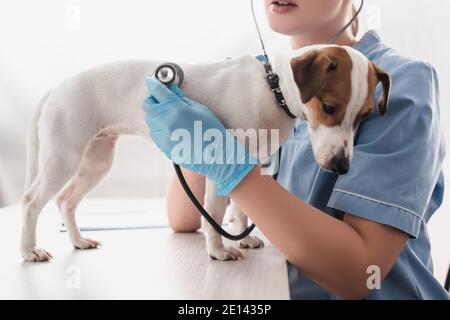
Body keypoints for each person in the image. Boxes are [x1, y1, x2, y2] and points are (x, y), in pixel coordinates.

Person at [143, 0, 449, 299]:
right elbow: (184, 218)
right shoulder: (258, 81)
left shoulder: (402, 81)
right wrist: (209, 109)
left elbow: (362, 273)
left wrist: (227, 164)